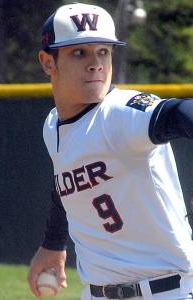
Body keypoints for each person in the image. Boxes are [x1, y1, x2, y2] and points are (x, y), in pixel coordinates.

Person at [28, 2, 193, 300]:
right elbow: (66, 183)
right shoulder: (52, 126)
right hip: (95, 293)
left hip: (168, 291)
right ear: (48, 62)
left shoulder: (121, 113)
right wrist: (52, 244)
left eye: (103, 51)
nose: (96, 63)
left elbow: (182, 113)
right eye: (79, 52)